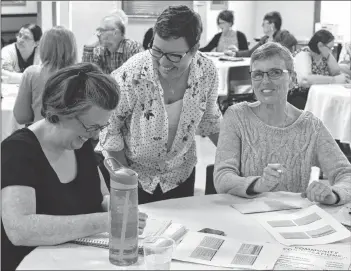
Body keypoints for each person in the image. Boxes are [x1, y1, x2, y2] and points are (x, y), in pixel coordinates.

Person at [1, 62, 147, 271]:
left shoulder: (80, 143)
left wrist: (122, 211)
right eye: (91, 127)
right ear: (60, 112)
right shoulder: (17, 151)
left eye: (101, 127)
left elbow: (102, 197)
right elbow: (20, 230)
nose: (96, 136)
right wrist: (106, 221)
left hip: (77, 260)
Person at [96, 5, 222, 204]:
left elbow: (211, 120)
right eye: (157, 51)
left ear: (195, 49)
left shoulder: (206, 72)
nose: (163, 62)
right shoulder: (133, 73)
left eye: (174, 56)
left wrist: (238, 160)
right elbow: (110, 128)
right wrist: (124, 177)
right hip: (134, 177)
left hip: (180, 175)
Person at [214, 42, 351, 205]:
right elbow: (222, 177)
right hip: (243, 221)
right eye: (258, 74)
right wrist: (259, 184)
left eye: (275, 73)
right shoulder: (236, 116)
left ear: (293, 79)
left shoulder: (310, 127)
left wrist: (333, 194)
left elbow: (346, 174)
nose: (265, 81)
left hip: (291, 222)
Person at [14, 26, 78, 125]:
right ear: (73, 48)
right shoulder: (83, 74)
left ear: (42, 47)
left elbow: (21, 117)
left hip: (40, 136)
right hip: (76, 137)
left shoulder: (31, 74)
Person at [291, 29, 350, 109]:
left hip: (317, 95)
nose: (331, 51)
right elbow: (305, 80)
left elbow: (336, 72)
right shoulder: (304, 54)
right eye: (330, 48)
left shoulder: (324, 55)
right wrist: (334, 80)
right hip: (300, 96)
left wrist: (328, 55)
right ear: (320, 45)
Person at [82, 9, 143, 74]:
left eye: (102, 30)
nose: (98, 34)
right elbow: (88, 76)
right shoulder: (99, 50)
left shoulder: (133, 48)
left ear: (115, 33)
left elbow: (137, 77)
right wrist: (88, 48)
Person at [230, 11, 297, 57]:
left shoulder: (284, 35)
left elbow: (280, 53)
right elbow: (251, 53)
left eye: (264, 23)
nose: (262, 26)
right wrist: (235, 54)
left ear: (272, 25)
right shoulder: (265, 39)